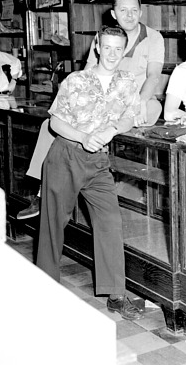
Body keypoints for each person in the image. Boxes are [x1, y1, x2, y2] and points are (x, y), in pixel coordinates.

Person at [18, 0, 165, 219]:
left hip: (136, 99)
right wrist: (83, 107)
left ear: (141, 12)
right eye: (123, 10)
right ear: (113, 14)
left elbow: (154, 76)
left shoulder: (153, 37)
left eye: (134, 10)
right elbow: (87, 73)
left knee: (149, 111)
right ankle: (41, 193)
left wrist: (141, 102)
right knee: (52, 125)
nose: (129, 15)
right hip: (103, 101)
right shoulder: (103, 37)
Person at [36, 24, 143, 320]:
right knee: (53, 223)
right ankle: (46, 289)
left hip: (98, 163)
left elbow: (131, 116)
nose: (111, 54)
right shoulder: (76, 80)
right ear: (96, 45)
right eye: (106, 47)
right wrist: (82, 136)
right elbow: (55, 123)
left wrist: (112, 128)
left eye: (118, 49)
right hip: (66, 156)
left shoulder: (127, 81)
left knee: (110, 221)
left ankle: (115, 293)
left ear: (125, 51)